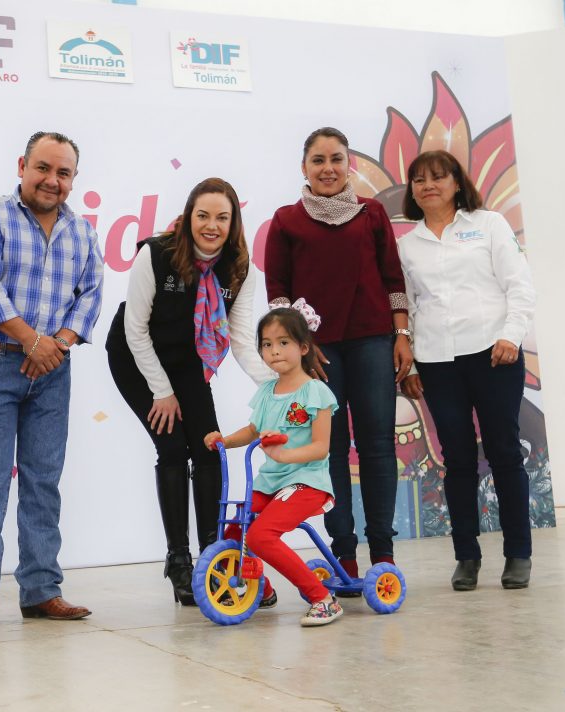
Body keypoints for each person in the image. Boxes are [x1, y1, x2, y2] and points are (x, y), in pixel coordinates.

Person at [0, 131, 104, 631]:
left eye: (63, 173)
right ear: (22, 165)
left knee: (43, 482)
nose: (51, 180)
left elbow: (92, 294)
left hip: (52, 373)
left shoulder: (82, 232)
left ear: (73, 179)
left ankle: (41, 591)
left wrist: (53, 343)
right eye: (43, 168)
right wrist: (31, 341)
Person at [105, 177, 270, 605]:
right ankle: (178, 560)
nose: (211, 226)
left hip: (189, 363)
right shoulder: (156, 254)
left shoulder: (241, 268)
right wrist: (162, 391)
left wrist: (279, 386)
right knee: (174, 448)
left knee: (210, 448)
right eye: (203, 216)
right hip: (136, 359)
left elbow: (239, 339)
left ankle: (213, 559)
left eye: (222, 217)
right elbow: (134, 329)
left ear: (234, 222)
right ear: (189, 216)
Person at [263, 126, 412, 583]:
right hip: (318, 354)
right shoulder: (286, 220)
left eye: (337, 159)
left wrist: (401, 334)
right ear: (303, 168)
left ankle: (383, 553)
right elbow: (278, 293)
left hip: (372, 342)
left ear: (349, 165)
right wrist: (300, 353)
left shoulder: (371, 214)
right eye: (318, 160)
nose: (328, 168)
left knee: (378, 446)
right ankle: (342, 555)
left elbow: (392, 278)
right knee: (327, 451)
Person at [398, 150, 536, 591]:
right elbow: (410, 308)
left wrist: (511, 336)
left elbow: (519, 285)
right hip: (438, 362)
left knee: (504, 451)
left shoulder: (489, 224)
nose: (428, 186)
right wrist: (414, 361)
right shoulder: (407, 244)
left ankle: (518, 554)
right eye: (419, 180)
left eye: (438, 177)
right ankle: (467, 557)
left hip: (495, 353)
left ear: (457, 183)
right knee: (456, 459)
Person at [204, 307, 341, 626]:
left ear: (303, 348)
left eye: (283, 342)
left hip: (307, 484)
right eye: (266, 344)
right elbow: (253, 431)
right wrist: (223, 439)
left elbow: (321, 447)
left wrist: (284, 456)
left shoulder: (316, 392)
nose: (274, 350)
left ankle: (323, 599)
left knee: (262, 535)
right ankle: (260, 589)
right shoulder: (266, 391)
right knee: (235, 531)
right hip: (271, 483)